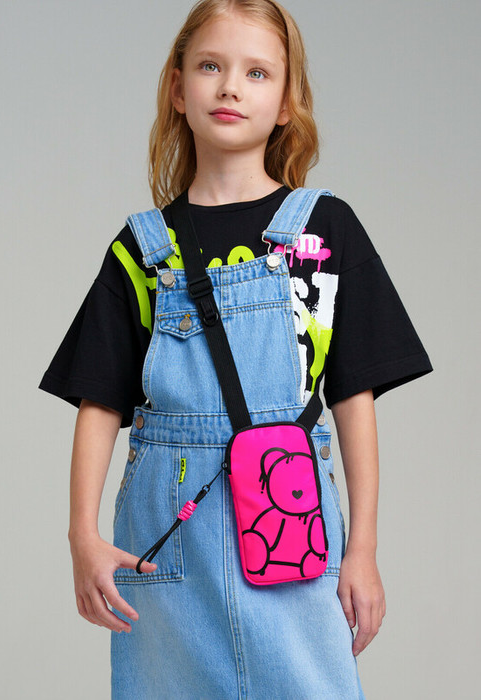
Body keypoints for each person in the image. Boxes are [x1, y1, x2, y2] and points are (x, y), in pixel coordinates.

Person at [38, 1, 433, 698]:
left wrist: (363, 551)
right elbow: (99, 400)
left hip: (291, 523)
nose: (229, 87)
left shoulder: (323, 232)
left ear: (286, 102)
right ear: (177, 88)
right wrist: (82, 536)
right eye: (210, 66)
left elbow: (354, 398)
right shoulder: (141, 249)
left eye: (257, 73)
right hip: (168, 535)